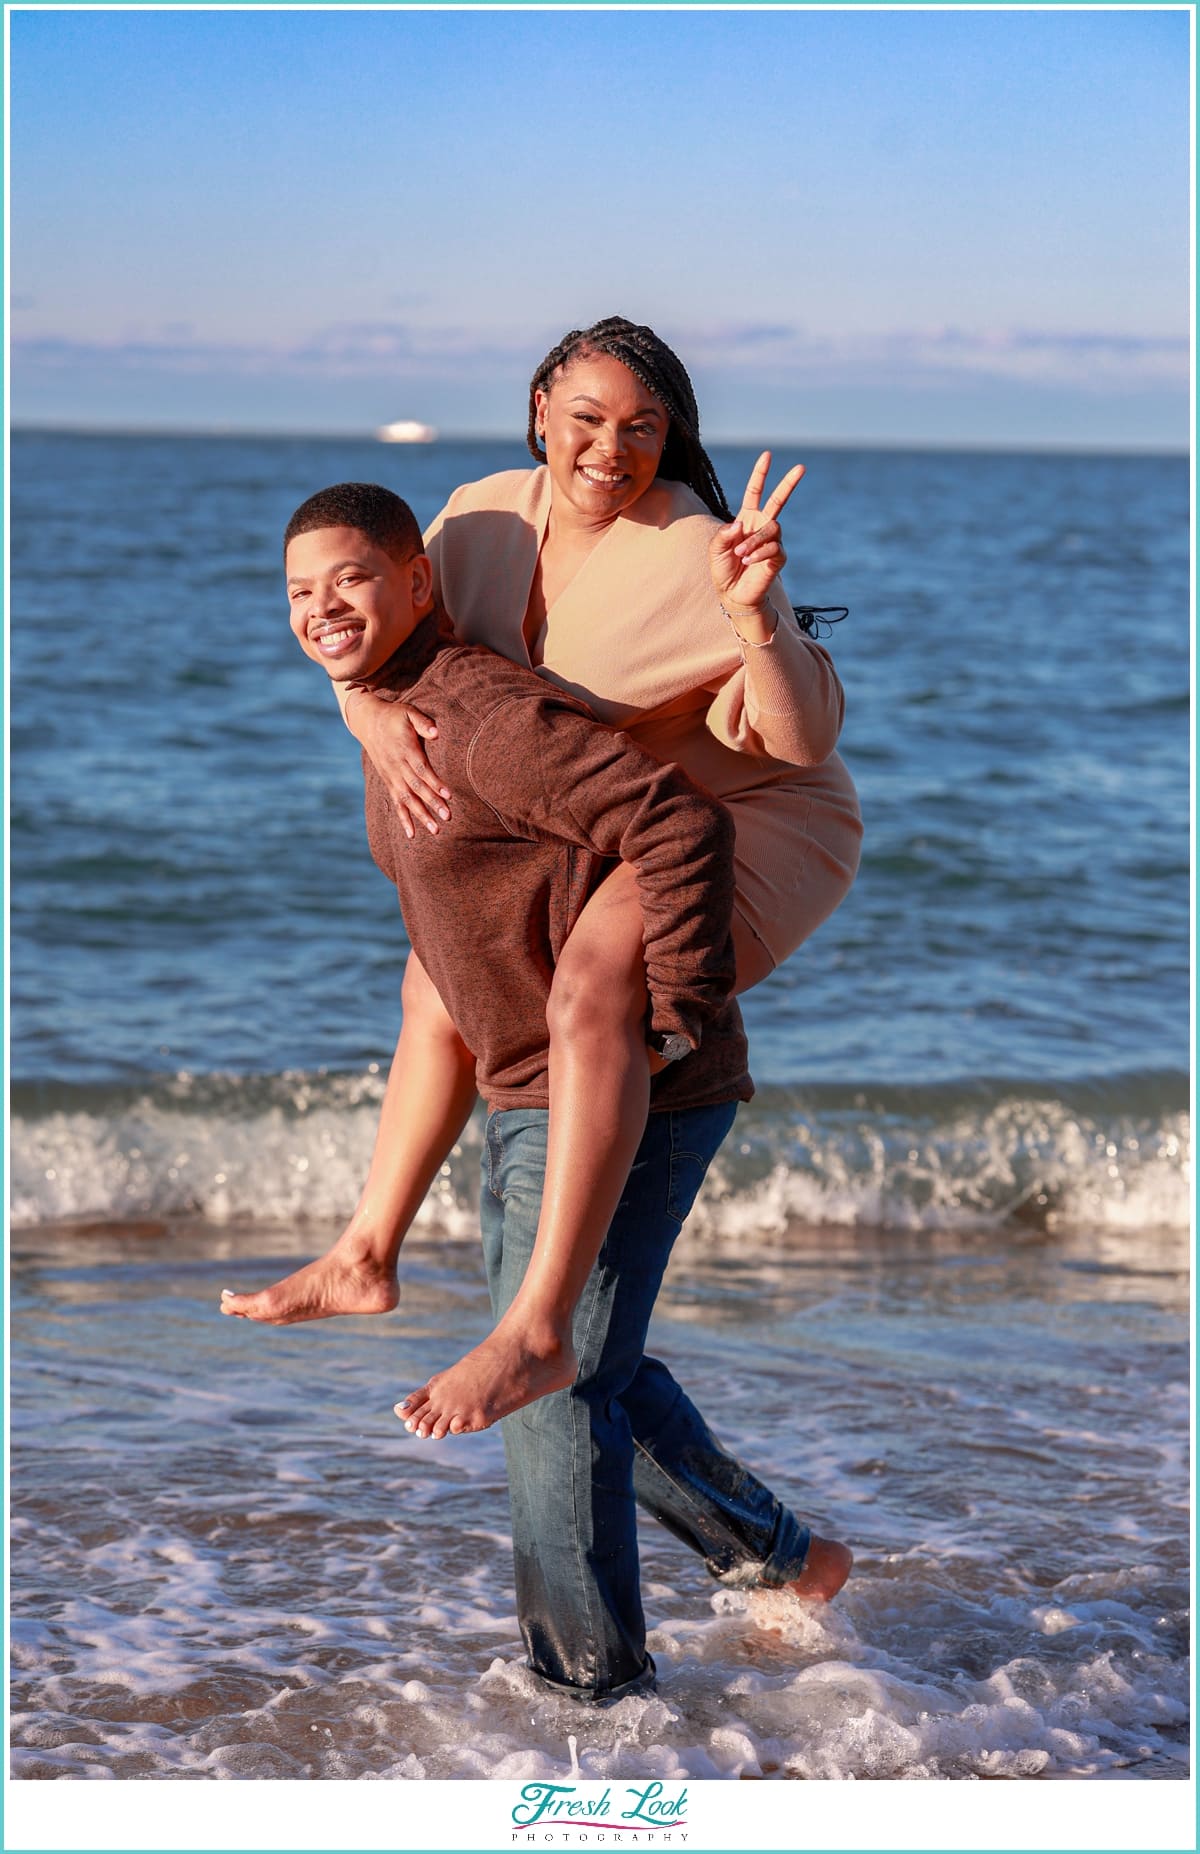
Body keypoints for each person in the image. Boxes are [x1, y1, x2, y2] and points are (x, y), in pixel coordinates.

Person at [226, 481, 851, 1704]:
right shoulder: (392, 711)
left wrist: (668, 1012)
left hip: (629, 1095)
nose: (321, 610)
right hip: (522, 1084)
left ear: (422, 582)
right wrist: (357, 698)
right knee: (584, 1369)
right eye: (299, 593)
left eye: (350, 580)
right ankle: (783, 1555)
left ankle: (595, 1709)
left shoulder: (479, 715)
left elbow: (680, 826)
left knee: (551, 1391)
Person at [226, 316, 862, 1444]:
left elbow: (801, 740)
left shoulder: (690, 547)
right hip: (606, 818)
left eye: (641, 428)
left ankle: (537, 1326)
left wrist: (759, 612)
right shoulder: (474, 517)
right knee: (433, 983)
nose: (610, 450)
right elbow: (362, 623)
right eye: (586, 419)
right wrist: (367, 716)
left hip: (740, 815)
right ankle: (366, 1253)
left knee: (589, 988)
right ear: (538, 412)